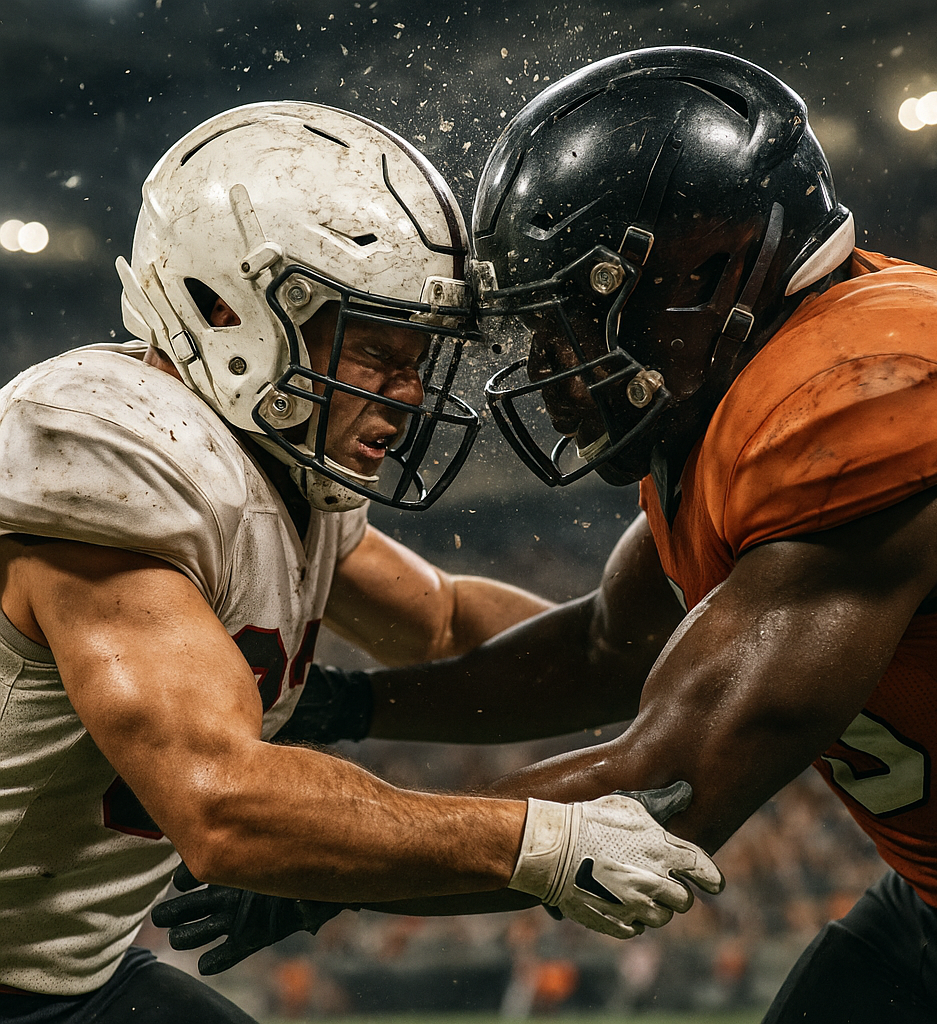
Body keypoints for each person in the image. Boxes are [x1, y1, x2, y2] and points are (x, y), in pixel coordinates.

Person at [158, 49, 937, 1022]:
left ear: (702, 271)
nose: (551, 368)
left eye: (572, 321)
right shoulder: (749, 393)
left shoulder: (872, 389)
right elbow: (602, 650)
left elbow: (664, 790)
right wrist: (341, 705)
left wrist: (332, 867)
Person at [0, 100, 725, 1024]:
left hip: (63, 975)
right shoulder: (106, 453)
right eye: (381, 350)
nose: (412, 392)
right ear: (226, 310)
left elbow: (446, 623)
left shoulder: (272, 468)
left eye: (421, 356)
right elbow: (219, 803)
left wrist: (699, 665)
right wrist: (532, 840)